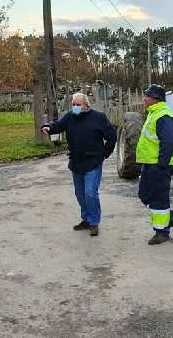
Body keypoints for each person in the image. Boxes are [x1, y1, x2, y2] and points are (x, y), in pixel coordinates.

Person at [41, 92, 117, 237]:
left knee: (90, 192)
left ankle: (94, 222)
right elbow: (58, 125)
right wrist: (48, 127)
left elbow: (112, 136)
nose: (75, 107)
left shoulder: (98, 118)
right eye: (73, 105)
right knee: (80, 194)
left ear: (86, 105)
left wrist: (105, 154)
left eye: (78, 105)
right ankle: (86, 219)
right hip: (76, 162)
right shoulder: (70, 117)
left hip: (93, 161)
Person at [137, 84, 173, 245]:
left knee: (159, 198)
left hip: (159, 165)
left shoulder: (163, 116)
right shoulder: (154, 113)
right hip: (150, 163)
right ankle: (168, 218)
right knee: (144, 195)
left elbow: (168, 143)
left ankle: (162, 232)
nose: (144, 98)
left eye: (147, 96)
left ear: (155, 98)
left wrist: (162, 165)